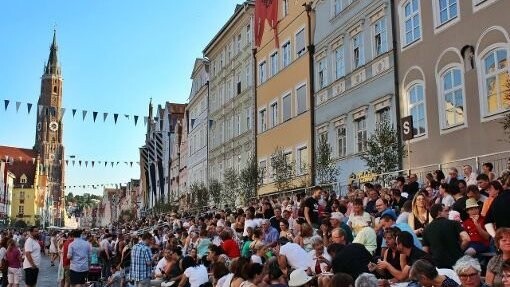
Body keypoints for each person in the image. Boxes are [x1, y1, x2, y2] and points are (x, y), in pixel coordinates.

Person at [422, 204, 470, 269]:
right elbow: (467, 239)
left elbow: (425, 251)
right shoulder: (454, 223)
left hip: (438, 264)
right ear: (439, 213)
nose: (448, 213)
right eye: (446, 211)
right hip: (456, 262)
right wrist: (459, 251)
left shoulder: (426, 229)